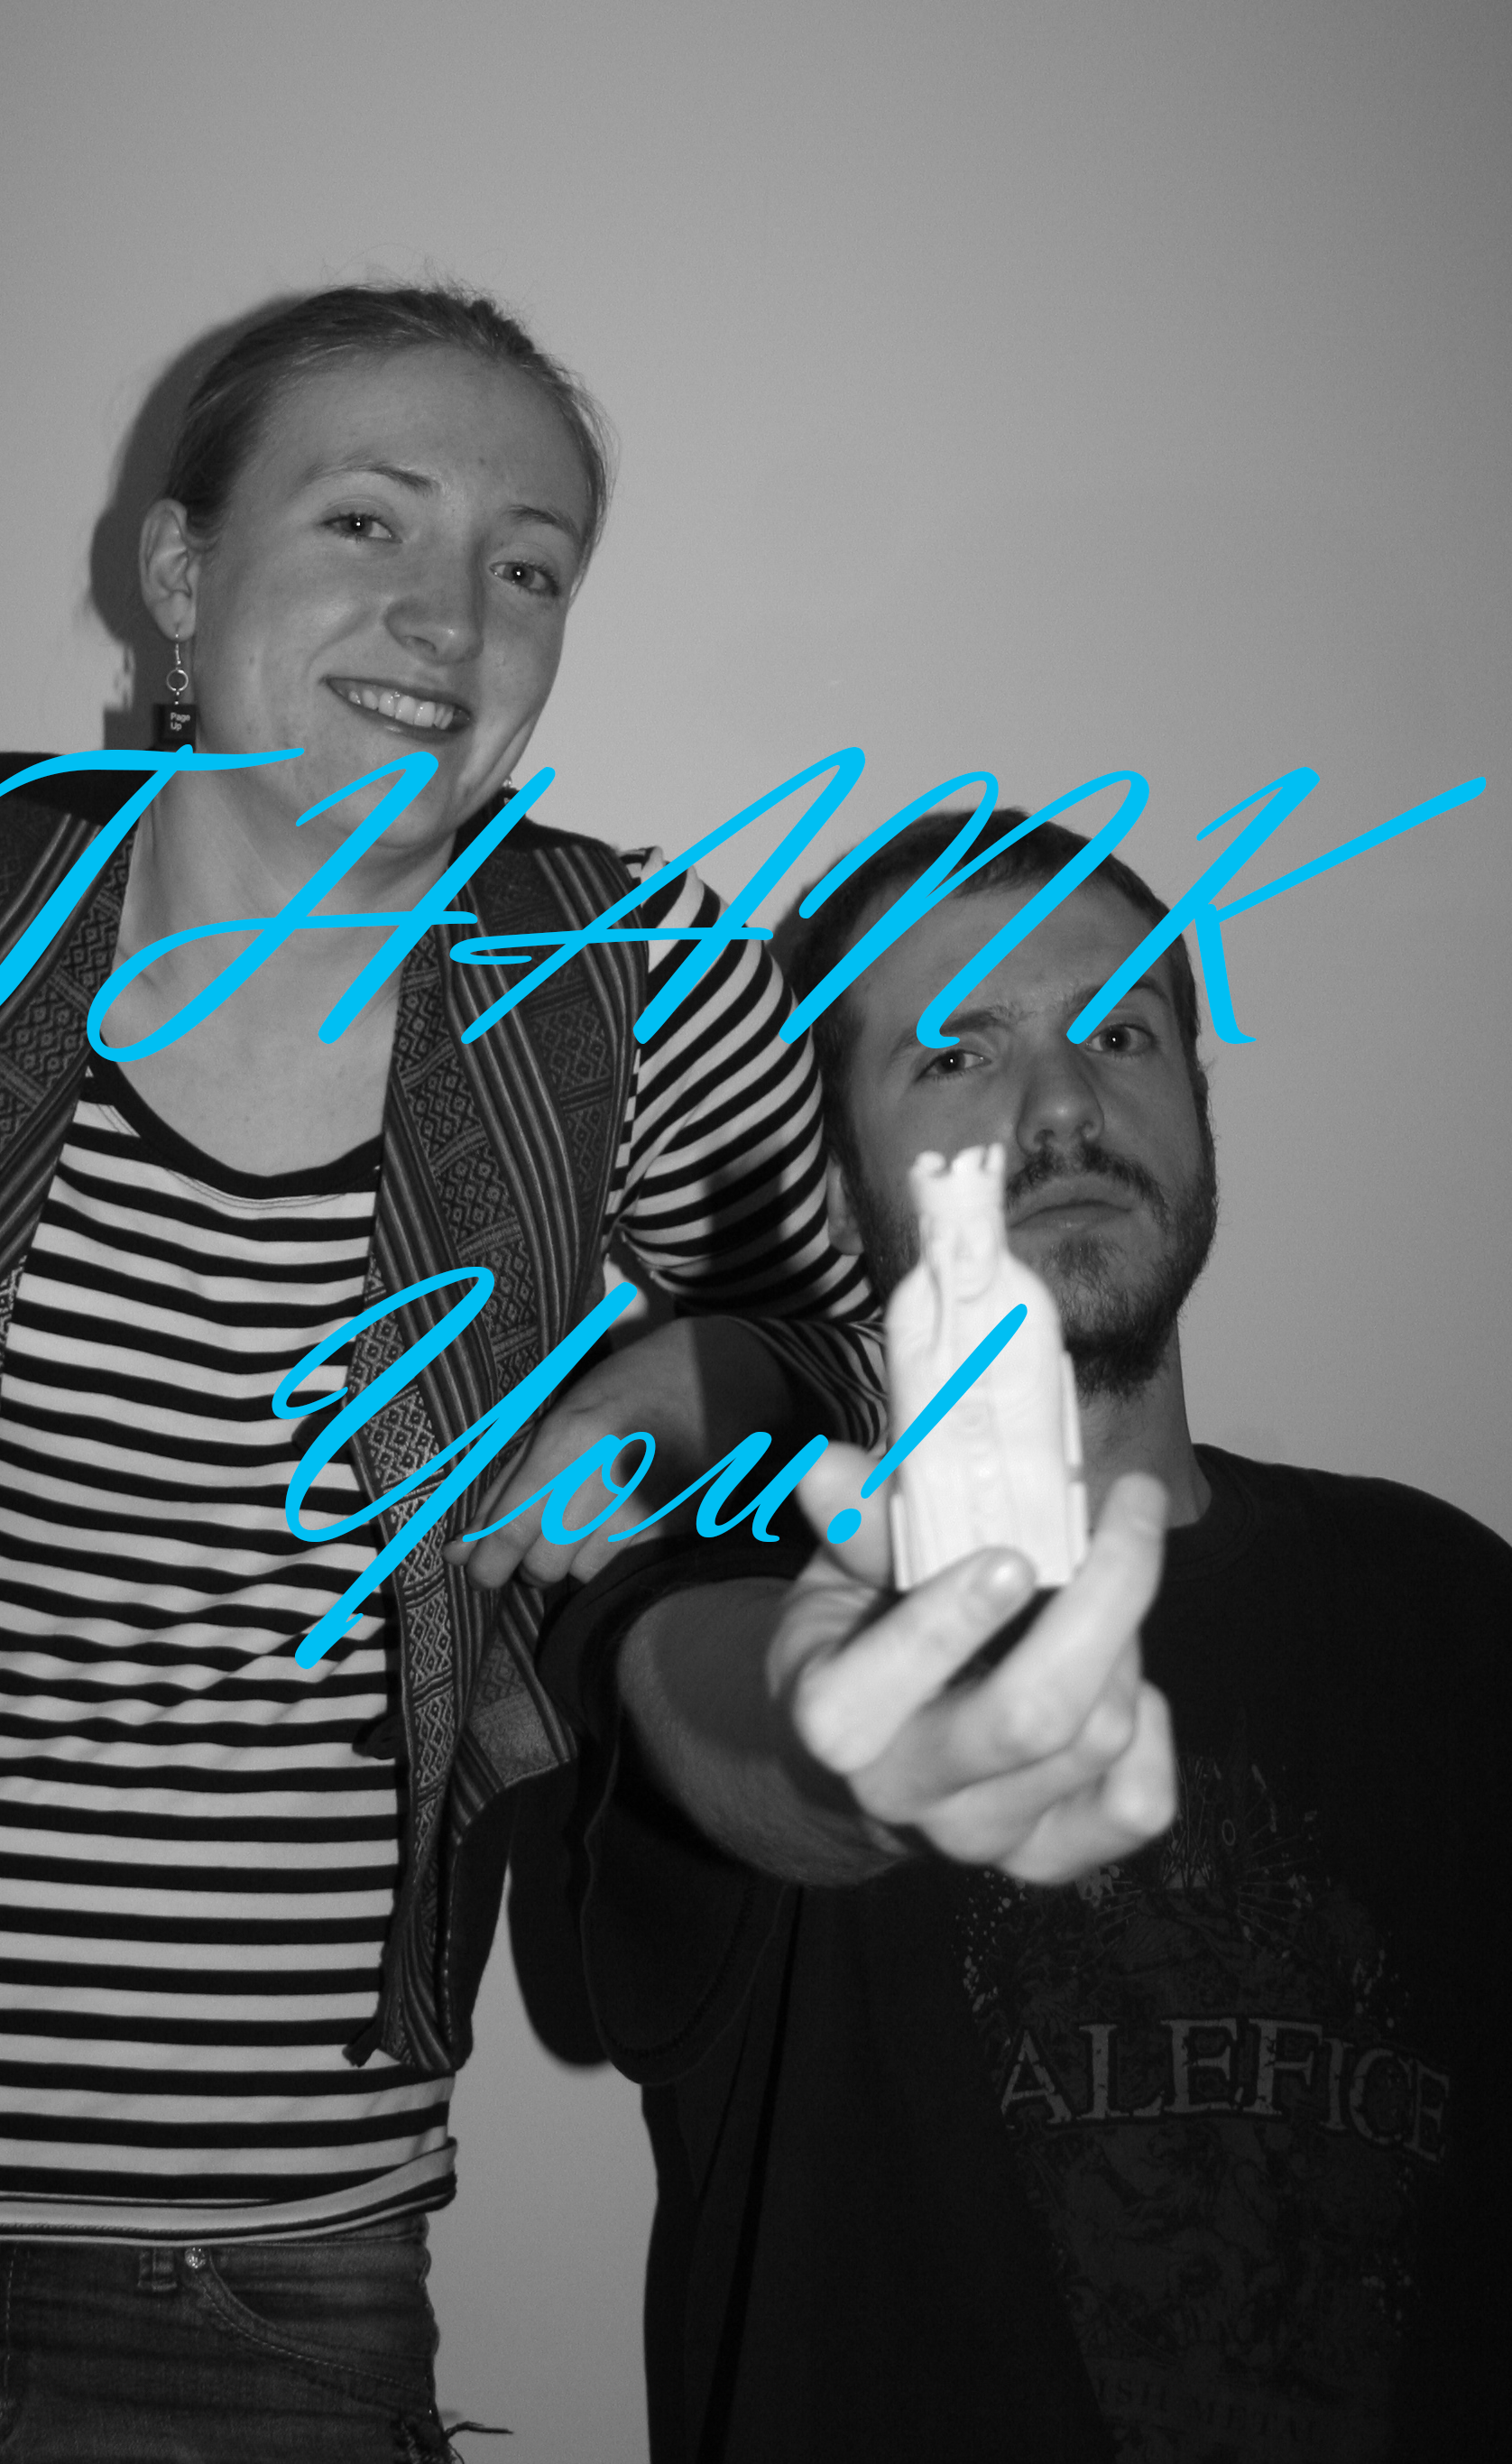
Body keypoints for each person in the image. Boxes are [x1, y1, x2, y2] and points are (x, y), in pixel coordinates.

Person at [0, 281, 897, 2461]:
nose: (449, 618)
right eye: (367, 521)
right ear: (179, 572)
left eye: (528, 566)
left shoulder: (635, 979)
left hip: (261, 2277)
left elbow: (859, 1356)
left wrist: (653, 1391)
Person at [539, 807, 1512, 2462]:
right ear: (831, 1188)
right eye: (955, 1053)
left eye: (1119, 1034)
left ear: (1198, 1112)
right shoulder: (720, 1584)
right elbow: (720, 1709)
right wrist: (850, 1756)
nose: (1061, 1103)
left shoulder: (1449, 1600)